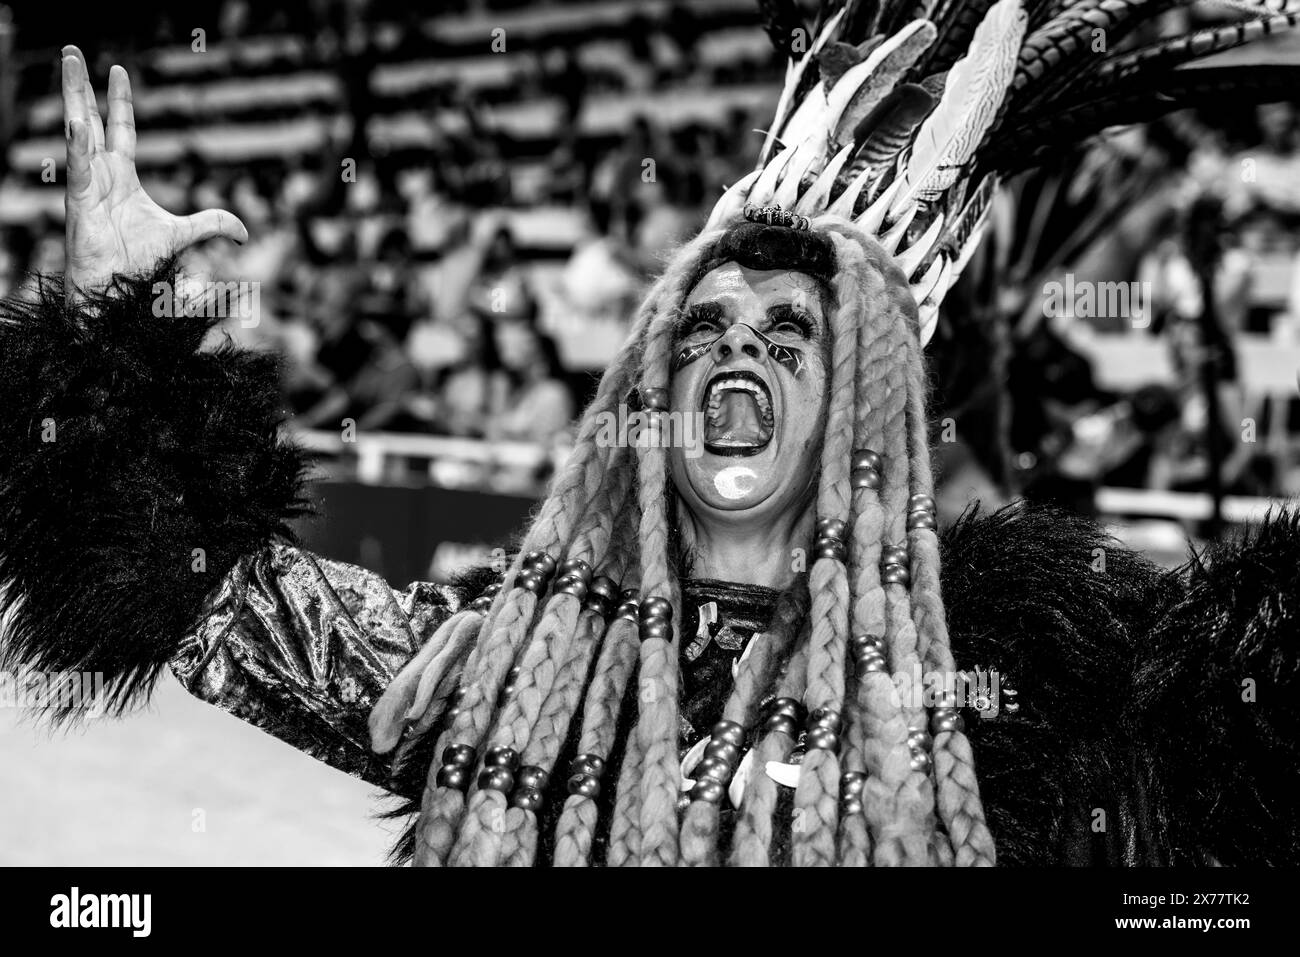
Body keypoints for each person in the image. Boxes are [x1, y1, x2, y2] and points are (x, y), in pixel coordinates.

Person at [3, 4, 1300, 868]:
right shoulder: (512, 661)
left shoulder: (1026, 683)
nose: (740, 351)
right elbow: (209, 599)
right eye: (708, 326)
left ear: (866, 405)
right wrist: (120, 337)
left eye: (792, 337)